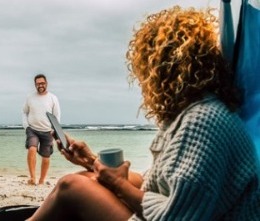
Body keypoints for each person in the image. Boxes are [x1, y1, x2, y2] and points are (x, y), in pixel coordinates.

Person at [27, 6, 260, 220]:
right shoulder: (196, 114)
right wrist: (92, 162)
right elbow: (154, 183)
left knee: (71, 187)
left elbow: (175, 215)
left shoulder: (204, 120)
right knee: (88, 179)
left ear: (162, 70)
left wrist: (118, 185)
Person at [22, 74, 61, 185]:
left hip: (48, 130)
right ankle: (33, 178)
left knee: (46, 157)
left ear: (46, 83)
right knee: (32, 149)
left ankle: (41, 180)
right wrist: (26, 126)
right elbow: (24, 111)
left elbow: (57, 116)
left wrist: (55, 130)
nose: (40, 85)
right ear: (35, 84)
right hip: (32, 129)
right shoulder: (30, 97)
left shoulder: (53, 98)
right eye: (38, 83)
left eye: (42, 83)